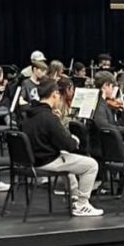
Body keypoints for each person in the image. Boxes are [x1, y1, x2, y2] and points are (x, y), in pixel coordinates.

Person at [20, 78, 104, 217]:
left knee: (68, 160)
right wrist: (74, 140)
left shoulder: (29, 115)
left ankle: (74, 196)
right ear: (54, 95)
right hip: (46, 161)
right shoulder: (48, 118)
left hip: (32, 159)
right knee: (91, 165)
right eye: (58, 95)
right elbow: (69, 145)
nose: (59, 98)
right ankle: (82, 204)